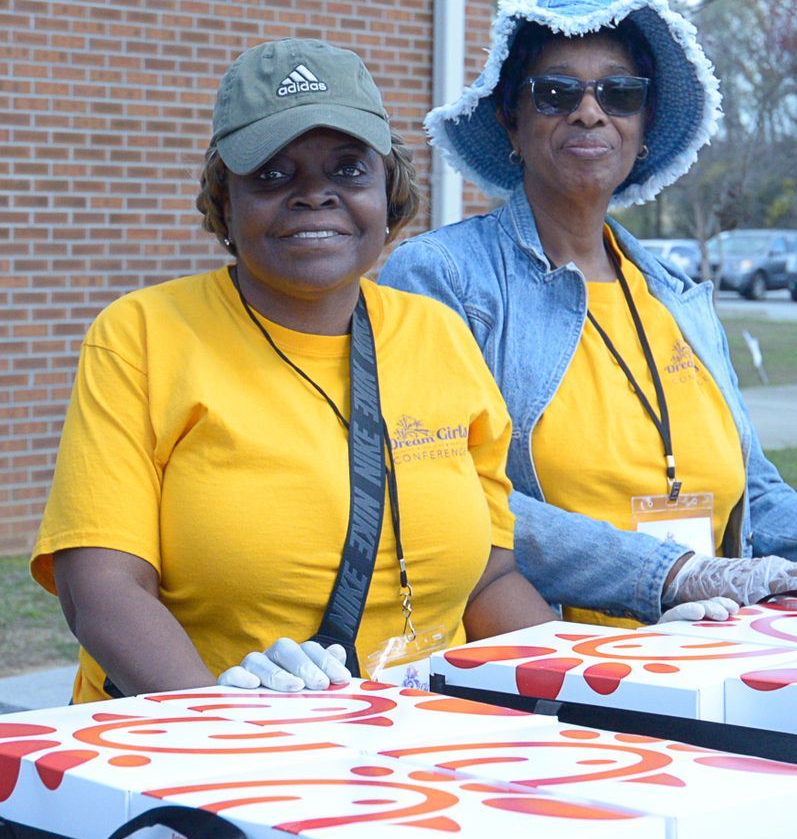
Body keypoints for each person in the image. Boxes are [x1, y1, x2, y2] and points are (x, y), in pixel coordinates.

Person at [381, 0, 797, 630]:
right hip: (545, 658)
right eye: (556, 93)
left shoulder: (676, 294)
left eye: (619, 94)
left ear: (644, 125)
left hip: (709, 648)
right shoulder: (446, 276)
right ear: (510, 120)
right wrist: (670, 574)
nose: (590, 113)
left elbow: (757, 498)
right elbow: (446, 489)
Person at [33, 38, 558, 701]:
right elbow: (101, 589)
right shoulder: (143, 336)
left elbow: (488, 579)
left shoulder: (440, 336)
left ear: (388, 191)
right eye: (273, 175)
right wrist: (226, 723)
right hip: (207, 738)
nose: (314, 196)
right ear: (225, 202)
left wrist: (601, 681)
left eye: (348, 170)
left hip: (420, 740)